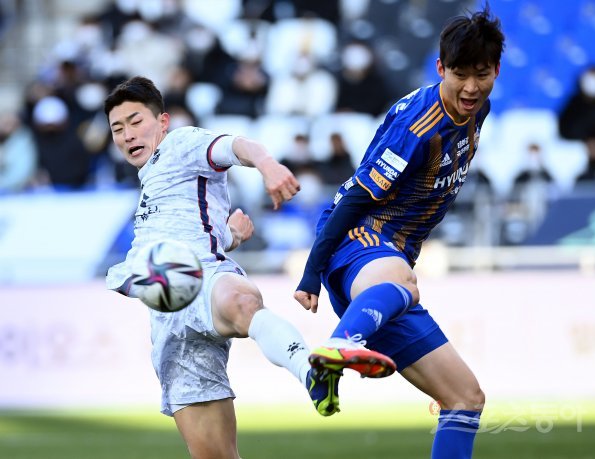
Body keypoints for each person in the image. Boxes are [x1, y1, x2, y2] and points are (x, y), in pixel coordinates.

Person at [102, 76, 388, 459]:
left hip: (203, 281)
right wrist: (229, 236)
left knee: (242, 302)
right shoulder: (148, 186)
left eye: (136, 121)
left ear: (163, 121)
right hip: (170, 328)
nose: (127, 135)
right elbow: (184, 236)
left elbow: (238, 146)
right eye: (117, 128)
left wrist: (267, 166)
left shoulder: (181, 143)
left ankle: (312, 372)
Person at [294, 6, 504, 459]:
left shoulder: (478, 109)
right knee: (403, 282)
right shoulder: (418, 126)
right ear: (440, 68)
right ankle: (338, 347)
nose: (471, 87)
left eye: (481, 74)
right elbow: (354, 198)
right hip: (358, 236)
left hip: (391, 263)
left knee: (465, 399)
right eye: (460, 75)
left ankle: (335, 354)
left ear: (496, 71)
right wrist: (311, 274)